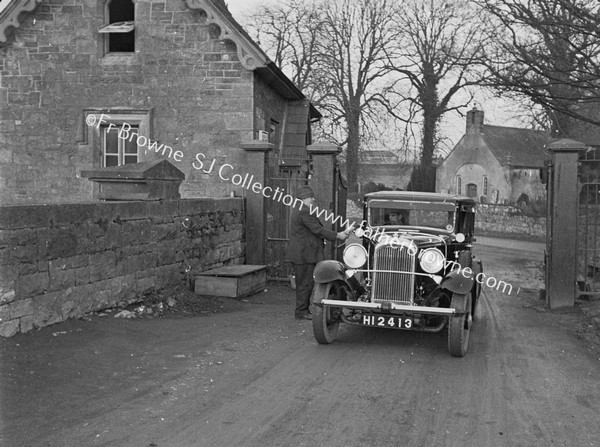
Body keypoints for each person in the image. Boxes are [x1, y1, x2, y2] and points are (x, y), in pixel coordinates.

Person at [284, 186, 352, 320]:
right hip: (304, 254)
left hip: (302, 253)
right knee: (305, 284)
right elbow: (318, 230)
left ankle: (302, 310)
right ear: (304, 198)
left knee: (304, 283)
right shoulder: (304, 211)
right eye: (311, 197)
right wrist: (338, 235)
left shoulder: (298, 209)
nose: (313, 199)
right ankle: (301, 312)